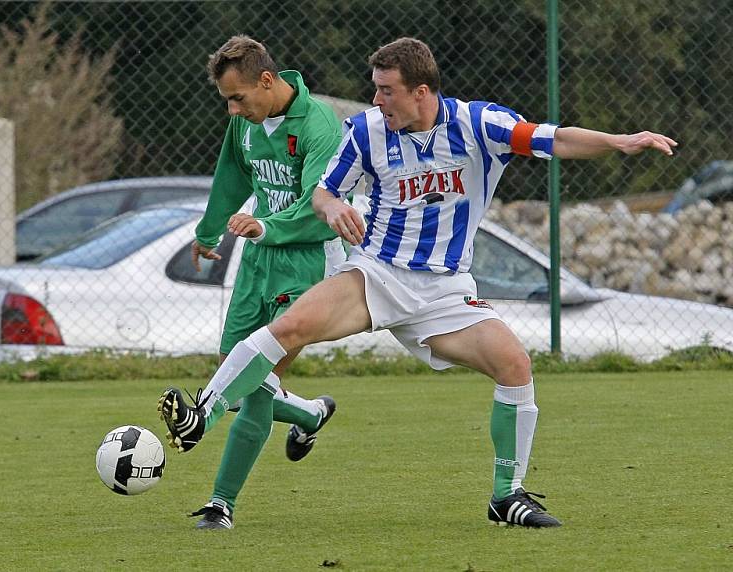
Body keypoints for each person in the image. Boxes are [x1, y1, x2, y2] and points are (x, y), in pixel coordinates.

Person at [160, 37, 677, 529]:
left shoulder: (478, 123)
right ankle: (201, 415)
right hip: (378, 273)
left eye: (387, 90)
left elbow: (551, 137)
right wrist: (334, 205)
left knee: (515, 366)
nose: (376, 99)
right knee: (292, 327)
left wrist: (619, 142)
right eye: (375, 88)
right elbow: (323, 194)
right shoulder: (365, 131)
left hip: (445, 291)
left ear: (421, 91)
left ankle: (507, 497)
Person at [158, 35, 344, 530]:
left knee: (257, 383)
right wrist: (207, 231)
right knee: (240, 374)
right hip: (259, 259)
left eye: (237, 98)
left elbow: (320, 207)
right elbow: (232, 175)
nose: (232, 110)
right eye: (226, 101)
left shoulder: (320, 125)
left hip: (307, 262)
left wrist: (265, 226)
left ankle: (221, 503)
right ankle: (307, 416)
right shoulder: (246, 123)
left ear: (267, 80)